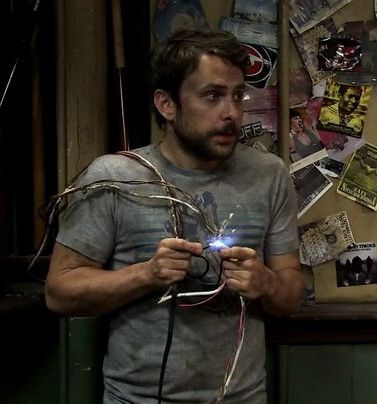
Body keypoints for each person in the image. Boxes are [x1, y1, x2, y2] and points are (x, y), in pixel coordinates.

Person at [45, 28, 304, 404]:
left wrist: (266, 283)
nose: (231, 112)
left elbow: (291, 294)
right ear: (166, 105)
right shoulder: (115, 176)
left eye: (237, 95)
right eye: (212, 96)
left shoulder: (269, 174)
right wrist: (146, 274)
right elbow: (59, 293)